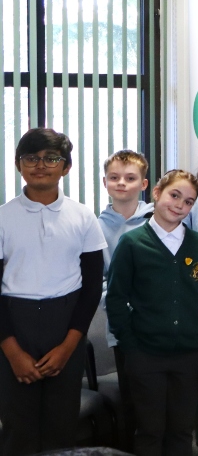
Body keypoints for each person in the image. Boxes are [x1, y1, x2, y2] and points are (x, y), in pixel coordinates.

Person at [0, 129, 106, 455]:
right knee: (19, 429)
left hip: (66, 326)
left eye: (51, 158)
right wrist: (13, 353)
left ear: (66, 167)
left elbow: (91, 288)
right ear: (19, 165)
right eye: (31, 158)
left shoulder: (83, 216)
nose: (40, 165)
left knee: (62, 427)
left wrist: (68, 347)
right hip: (14, 327)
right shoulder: (3, 217)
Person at [106, 170, 198, 456]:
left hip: (189, 355)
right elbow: (116, 298)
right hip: (146, 354)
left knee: (182, 430)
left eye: (188, 201)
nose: (179, 205)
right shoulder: (133, 243)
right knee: (150, 429)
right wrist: (130, 345)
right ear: (157, 193)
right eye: (174, 195)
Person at [97, 149, 154, 451]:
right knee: (132, 397)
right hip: (123, 326)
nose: (122, 183)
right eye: (114, 178)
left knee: (160, 399)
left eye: (130, 178)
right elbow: (99, 280)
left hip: (158, 324)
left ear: (143, 184)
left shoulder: (160, 221)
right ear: (104, 182)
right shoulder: (95, 226)